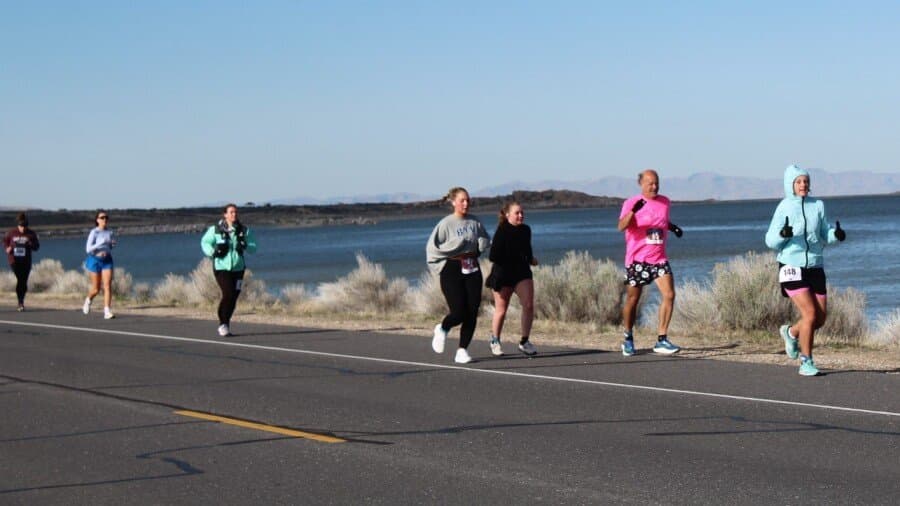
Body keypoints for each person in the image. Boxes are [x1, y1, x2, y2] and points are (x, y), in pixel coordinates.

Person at [765, 164, 845, 376]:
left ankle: (791, 333)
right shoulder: (784, 207)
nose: (803, 185)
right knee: (809, 314)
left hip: (815, 265)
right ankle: (806, 361)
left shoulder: (817, 205)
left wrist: (835, 235)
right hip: (791, 266)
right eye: (799, 181)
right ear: (790, 185)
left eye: (806, 181)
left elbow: (823, 232)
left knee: (820, 319)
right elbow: (770, 241)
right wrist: (784, 233)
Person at [617, 169, 684, 356]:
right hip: (637, 259)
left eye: (656, 183)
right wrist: (633, 211)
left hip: (659, 258)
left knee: (669, 295)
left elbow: (661, 220)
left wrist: (673, 228)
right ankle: (628, 338)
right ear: (641, 184)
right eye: (650, 183)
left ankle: (662, 340)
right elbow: (621, 226)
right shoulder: (631, 202)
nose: (654, 186)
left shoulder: (665, 201)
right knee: (633, 299)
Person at [426, 187, 491, 364]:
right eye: (462, 200)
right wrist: (442, 265)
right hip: (452, 268)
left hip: (472, 267)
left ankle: (462, 350)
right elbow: (432, 249)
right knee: (459, 312)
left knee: (472, 311)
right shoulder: (445, 224)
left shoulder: (475, 221)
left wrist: (481, 246)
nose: (466, 203)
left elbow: (485, 239)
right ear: (453, 202)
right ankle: (443, 328)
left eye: (468, 200)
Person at [485, 201, 538, 357]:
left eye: (522, 212)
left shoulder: (526, 230)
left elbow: (527, 250)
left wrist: (531, 259)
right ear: (507, 214)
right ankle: (495, 340)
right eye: (517, 213)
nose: (520, 215)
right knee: (501, 310)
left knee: (528, 304)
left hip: (522, 273)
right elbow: (493, 256)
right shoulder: (502, 231)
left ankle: (524, 341)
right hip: (503, 274)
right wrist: (513, 257)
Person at [201, 203, 258, 337]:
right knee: (228, 294)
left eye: (236, 212)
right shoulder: (216, 229)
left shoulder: (244, 230)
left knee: (234, 297)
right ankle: (223, 324)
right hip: (222, 267)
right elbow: (205, 242)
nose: (234, 215)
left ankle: (226, 323)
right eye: (231, 212)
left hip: (238, 268)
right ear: (225, 214)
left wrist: (245, 245)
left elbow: (254, 247)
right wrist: (213, 252)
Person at [82, 210, 117, 319]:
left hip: (107, 260)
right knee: (96, 289)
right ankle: (88, 300)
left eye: (106, 217)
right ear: (97, 220)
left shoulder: (110, 232)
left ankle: (107, 311)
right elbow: (88, 249)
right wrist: (99, 244)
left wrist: (112, 244)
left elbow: (109, 247)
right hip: (94, 260)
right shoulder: (94, 232)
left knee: (107, 285)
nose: (104, 219)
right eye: (102, 218)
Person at [4, 213, 40, 311]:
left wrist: (30, 244)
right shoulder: (11, 233)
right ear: (18, 225)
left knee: (23, 282)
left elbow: (37, 247)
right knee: (20, 279)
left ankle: (21, 300)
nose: (23, 229)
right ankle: (20, 303)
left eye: (25, 226)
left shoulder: (31, 234)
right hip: (14, 261)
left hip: (26, 261)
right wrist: (8, 248)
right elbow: (5, 242)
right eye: (21, 226)